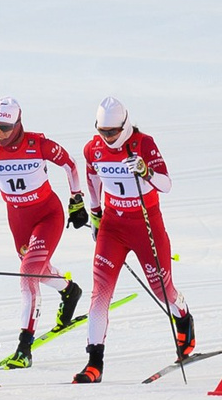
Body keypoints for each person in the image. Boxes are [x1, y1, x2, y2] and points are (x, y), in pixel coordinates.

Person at [0, 101, 84, 370]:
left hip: (47, 214)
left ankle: (24, 348)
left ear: (18, 123)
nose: (0, 134)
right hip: (17, 218)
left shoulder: (38, 144)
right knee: (35, 267)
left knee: (28, 272)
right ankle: (69, 290)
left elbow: (70, 164)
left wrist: (76, 199)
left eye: (6, 128)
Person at [76, 98, 192, 382]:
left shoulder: (144, 144)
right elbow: (92, 182)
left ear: (125, 126)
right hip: (113, 226)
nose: (108, 137)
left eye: (113, 132)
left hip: (145, 222)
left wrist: (146, 171)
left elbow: (166, 184)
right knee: (99, 293)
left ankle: (183, 317)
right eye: (103, 131)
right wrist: (95, 214)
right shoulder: (93, 149)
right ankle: (94, 363)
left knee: (162, 288)